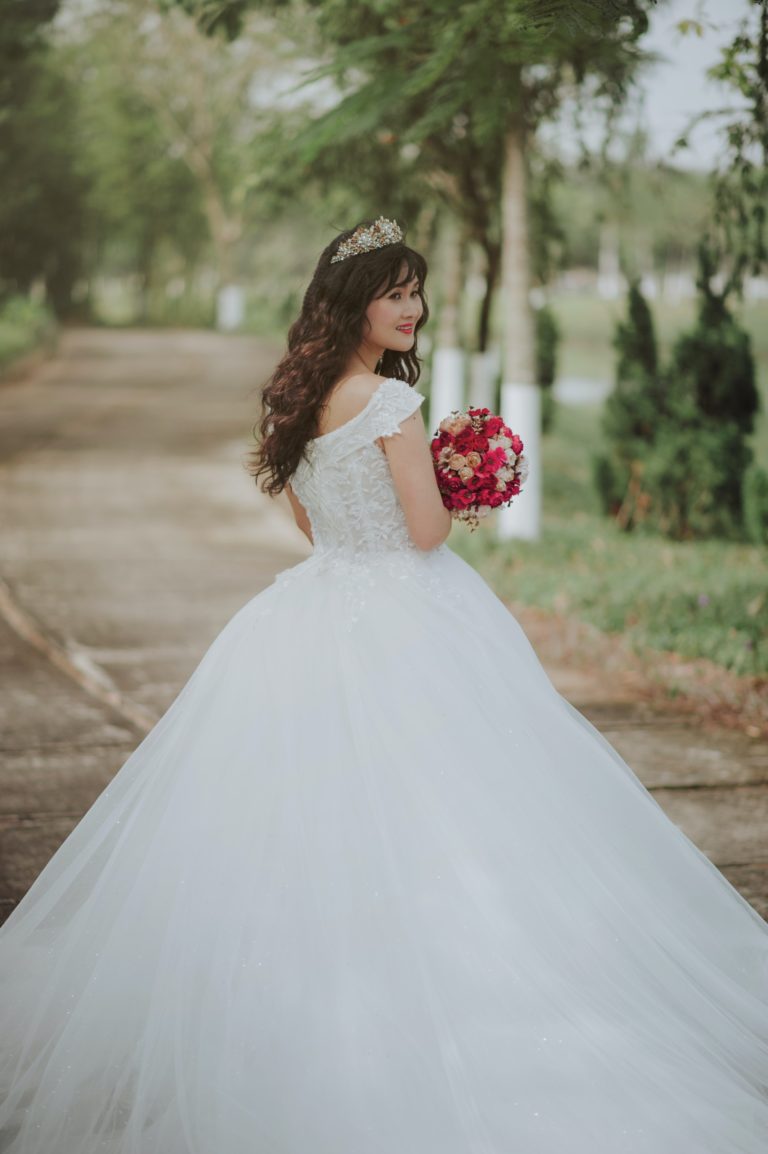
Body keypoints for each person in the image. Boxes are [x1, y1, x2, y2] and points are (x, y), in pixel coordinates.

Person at [0, 217, 766, 1154]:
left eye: (414, 291)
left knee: (306, 820)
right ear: (352, 300)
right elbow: (428, 533)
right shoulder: (390, 406)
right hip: (410, 612)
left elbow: (315, 531)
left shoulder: (299, 395)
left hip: (314, 611)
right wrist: (467, 486)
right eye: (393, 291)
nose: (410, 309)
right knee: (461, 807)